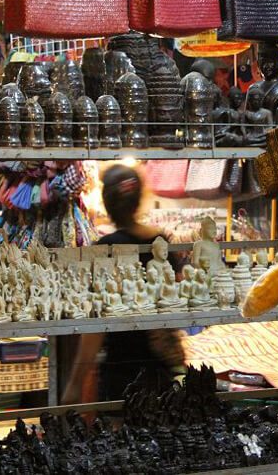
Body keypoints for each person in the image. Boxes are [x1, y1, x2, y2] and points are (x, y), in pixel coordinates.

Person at [61, 164, 185, 403]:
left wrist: (75, 383)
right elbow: (177, 299)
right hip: (160, 370)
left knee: (120, 437)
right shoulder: (159, 241)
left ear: (107, 204)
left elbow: (95, 327)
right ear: (138, 201)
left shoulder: (105, 249)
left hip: (120, 372)